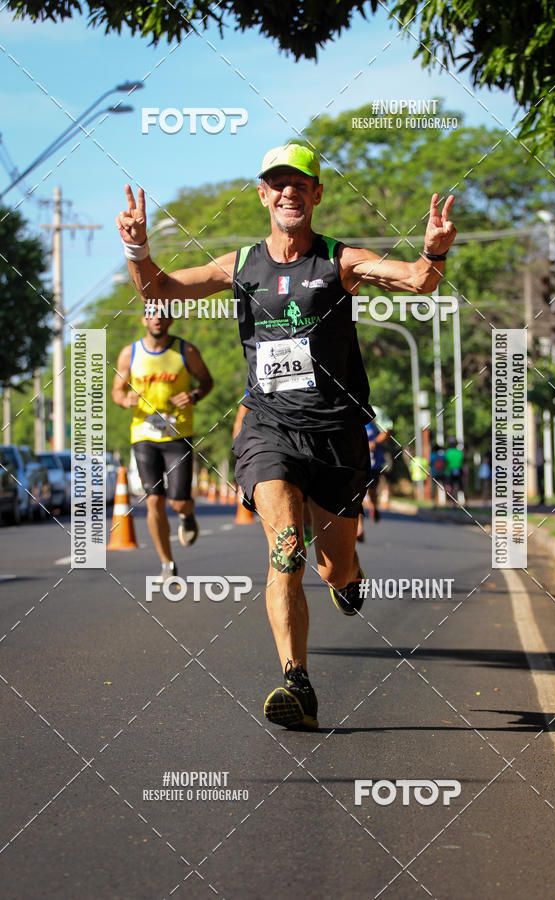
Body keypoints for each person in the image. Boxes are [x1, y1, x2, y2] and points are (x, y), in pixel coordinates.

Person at [116, 142, 456, 729]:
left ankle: (348, 578)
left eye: (300, 183)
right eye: (277, 183)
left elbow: (417, 281)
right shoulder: (241, 264)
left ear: (317, 194)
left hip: (337, 435)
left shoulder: (339, 261)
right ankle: (296, 682)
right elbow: (160, 290)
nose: (288, 192)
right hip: (269, 429)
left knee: (333, 565)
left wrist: (432, 252)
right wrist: (136, 248)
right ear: (263, 194)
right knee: (285, 549)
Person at [111, 304, 213, 581]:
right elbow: (117, 390)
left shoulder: (185, 351)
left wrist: (193, 395)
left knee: (178, 502)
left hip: (177, 434)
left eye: (163, 314)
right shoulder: (130, 354)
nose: (157, 319)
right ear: (144, 319)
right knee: (154, 500)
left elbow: (206, 381)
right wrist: (125, 399)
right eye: (152, 314)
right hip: (144, 434)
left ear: (170, 319)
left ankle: (186, 514)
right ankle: (167, 563)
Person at [357, 410, 392, 541]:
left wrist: (375, 443)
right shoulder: (347, 411)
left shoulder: (375, 415)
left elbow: (387, 431)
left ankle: (374, 506)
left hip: (373, 464)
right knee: (357, 496)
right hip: (357, 465)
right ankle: (359, 528)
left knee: (371, 492)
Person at [445, 436, 466, 504]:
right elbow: (463, 462)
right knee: (461, 486)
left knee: (449, 486)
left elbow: (446, 462)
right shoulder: (460, 453)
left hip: (450, 471)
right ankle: (466, 502)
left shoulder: (447, 453)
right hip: (459, 470)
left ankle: (453, 502)